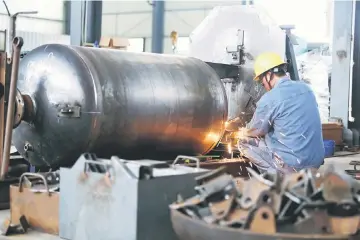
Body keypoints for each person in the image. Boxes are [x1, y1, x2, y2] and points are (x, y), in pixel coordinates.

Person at [237, 52, 324, 174]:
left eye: (262, 81)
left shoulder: (270, 98)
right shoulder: (306, 89)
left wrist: (241, 131)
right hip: (315, 162)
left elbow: (256, 131)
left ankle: (276, 179)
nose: (263, 85)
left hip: (293, 165)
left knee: (243, 142)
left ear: (268, 75)